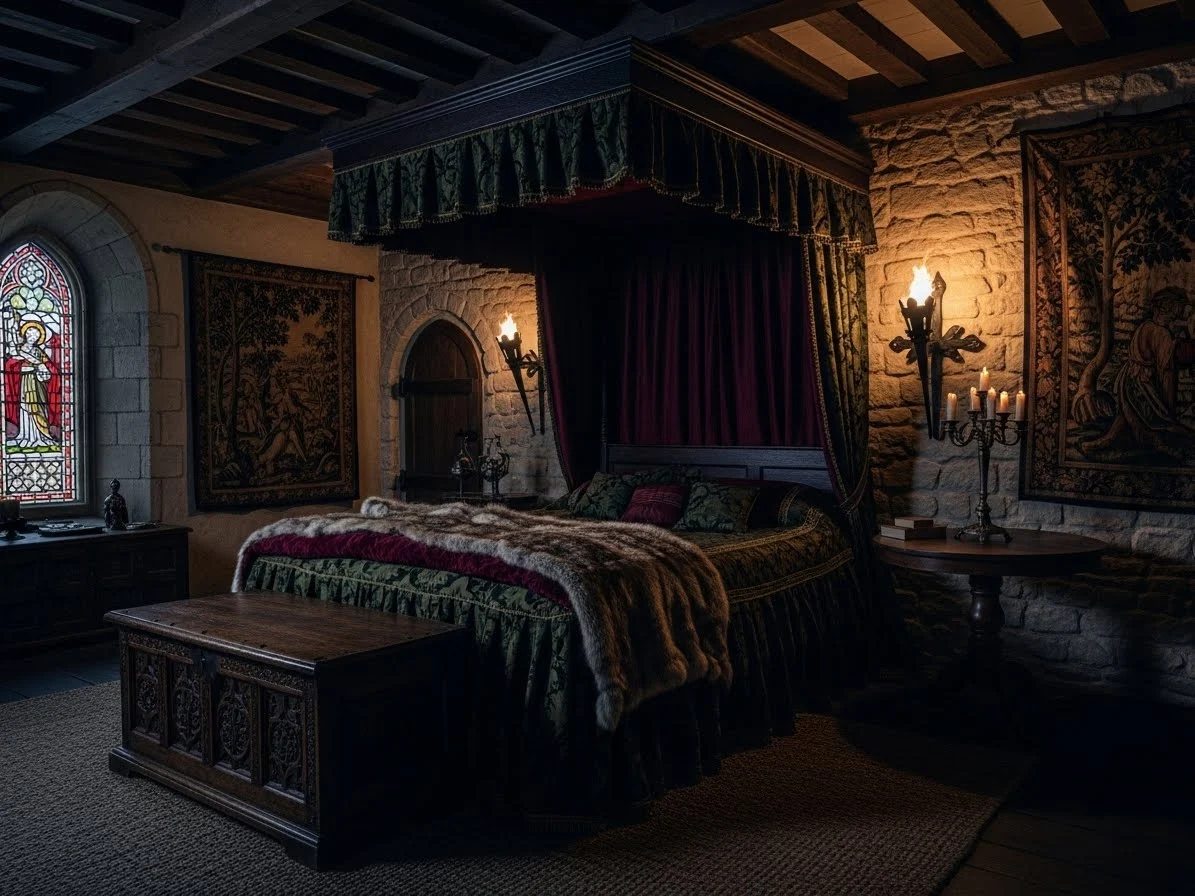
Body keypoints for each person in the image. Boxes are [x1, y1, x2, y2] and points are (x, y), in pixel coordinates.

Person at [1081, 286, 1195, 460]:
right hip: (1142, 385)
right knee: (1155, 420)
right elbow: (1167, 369)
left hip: (1130, 380)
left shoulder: (1145, 326)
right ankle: (1161, 446)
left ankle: (1099, 443)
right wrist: (1168, 404)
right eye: (1179, 307)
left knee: (1127, 418)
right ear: (1167, 307)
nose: (1180, 312)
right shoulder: (1161, 333)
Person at [3, 320, 60, 450]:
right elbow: (10, 366)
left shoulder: (38, 352)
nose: (32, 337)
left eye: (36, 335)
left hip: (37, 384)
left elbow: (50, 367)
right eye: (30, 334)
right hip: (25, 383)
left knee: (39, 408)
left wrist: (43, 368)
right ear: (25, 334)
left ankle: (42, 435)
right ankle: (26, 435)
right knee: (25, 408)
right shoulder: (18, 351)